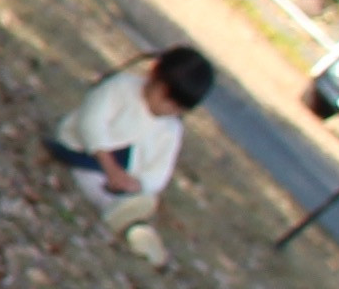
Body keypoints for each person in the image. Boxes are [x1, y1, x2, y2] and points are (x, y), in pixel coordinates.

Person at [45, 47, 213, 255]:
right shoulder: (122, 87)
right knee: (92, 180)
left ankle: (134, 226)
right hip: (84, 150)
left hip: (122, 176)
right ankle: (119, 212)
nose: (167, 109)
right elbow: (90, 122)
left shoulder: (171, 130)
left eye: (177, 108)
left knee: (134, 195)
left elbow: (159, 171)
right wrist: (109, 166)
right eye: (165, 98)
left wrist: (139, 183)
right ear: (154, 74)